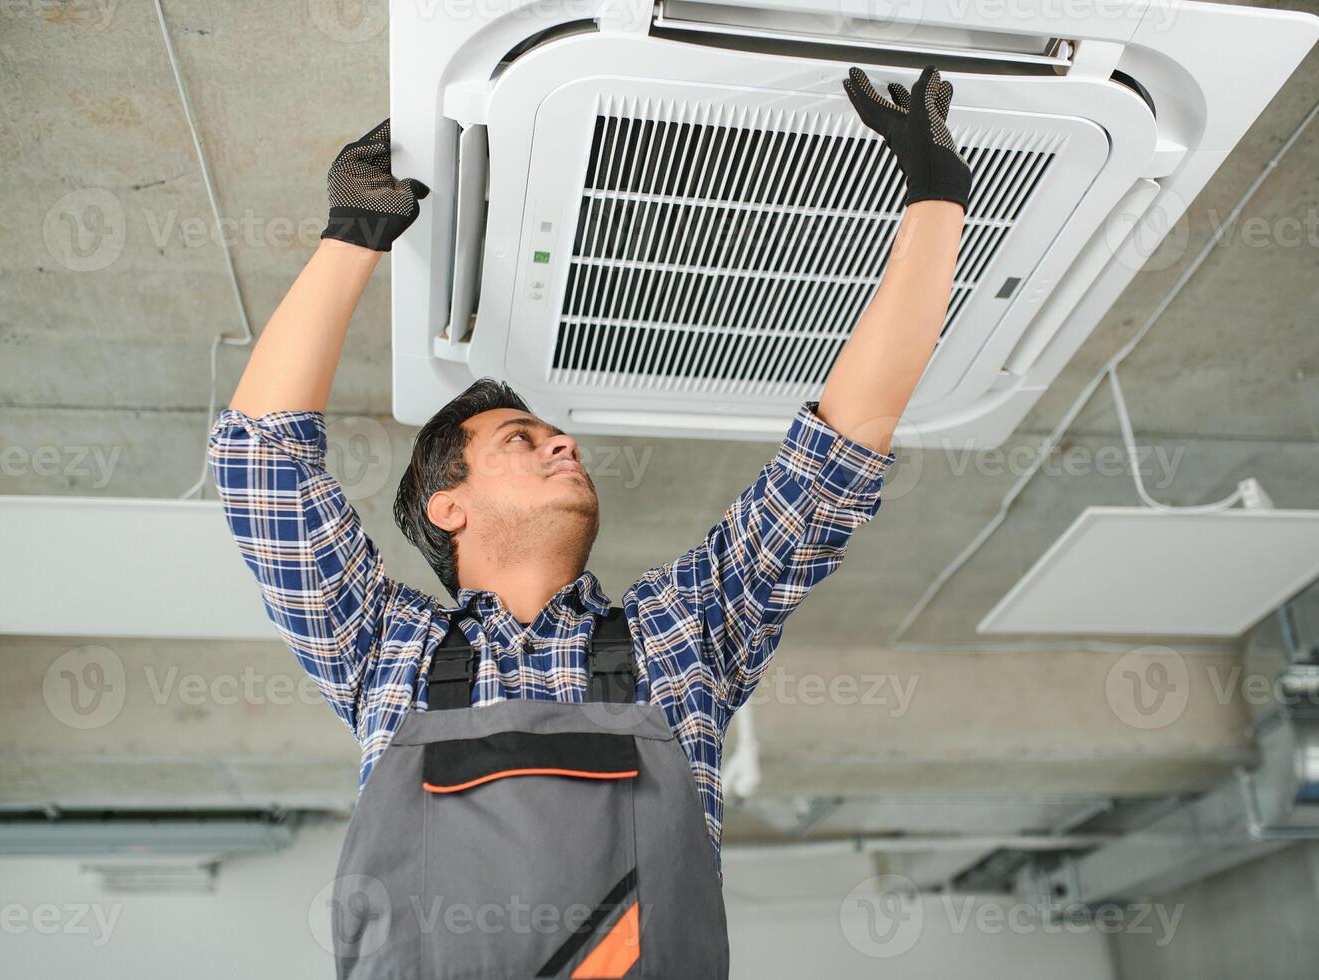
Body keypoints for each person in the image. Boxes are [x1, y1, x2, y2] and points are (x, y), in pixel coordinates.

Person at [208, 64, 970, 979]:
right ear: (445, 505)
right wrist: (353, 234)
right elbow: (259, 462)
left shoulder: (687, 627)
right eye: (522, 438)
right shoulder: (383, 648)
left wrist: (936, 197)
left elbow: (843, 444)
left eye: (556, 434)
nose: (562, 444)